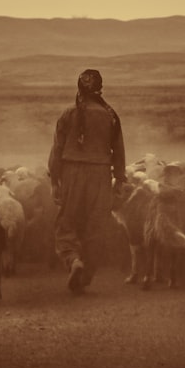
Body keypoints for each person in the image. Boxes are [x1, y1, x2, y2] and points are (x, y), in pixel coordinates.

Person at [48, 69, 126, 294]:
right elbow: (118, 151)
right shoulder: (110, 115)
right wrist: (119, 180)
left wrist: (55, 181)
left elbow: (57, 150)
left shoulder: (67, 114)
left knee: (67, 222)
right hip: (101, 175)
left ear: (79, 88)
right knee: (96, 225)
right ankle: (86, 275)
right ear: (99, 89)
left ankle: (73, 260)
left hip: (72, 173)